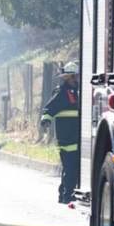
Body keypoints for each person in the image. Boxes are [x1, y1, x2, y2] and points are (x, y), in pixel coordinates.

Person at [40, 61, 80, 205]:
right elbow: (49, 108)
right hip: (67, 136)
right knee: (70, 167)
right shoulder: (62, 92)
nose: (78, 78)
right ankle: (66, 195)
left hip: (76, 136)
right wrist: (46, 120)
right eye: (76, 76)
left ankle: (66, 193)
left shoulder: (78, 91)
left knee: (73, 167)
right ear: (69, 77)